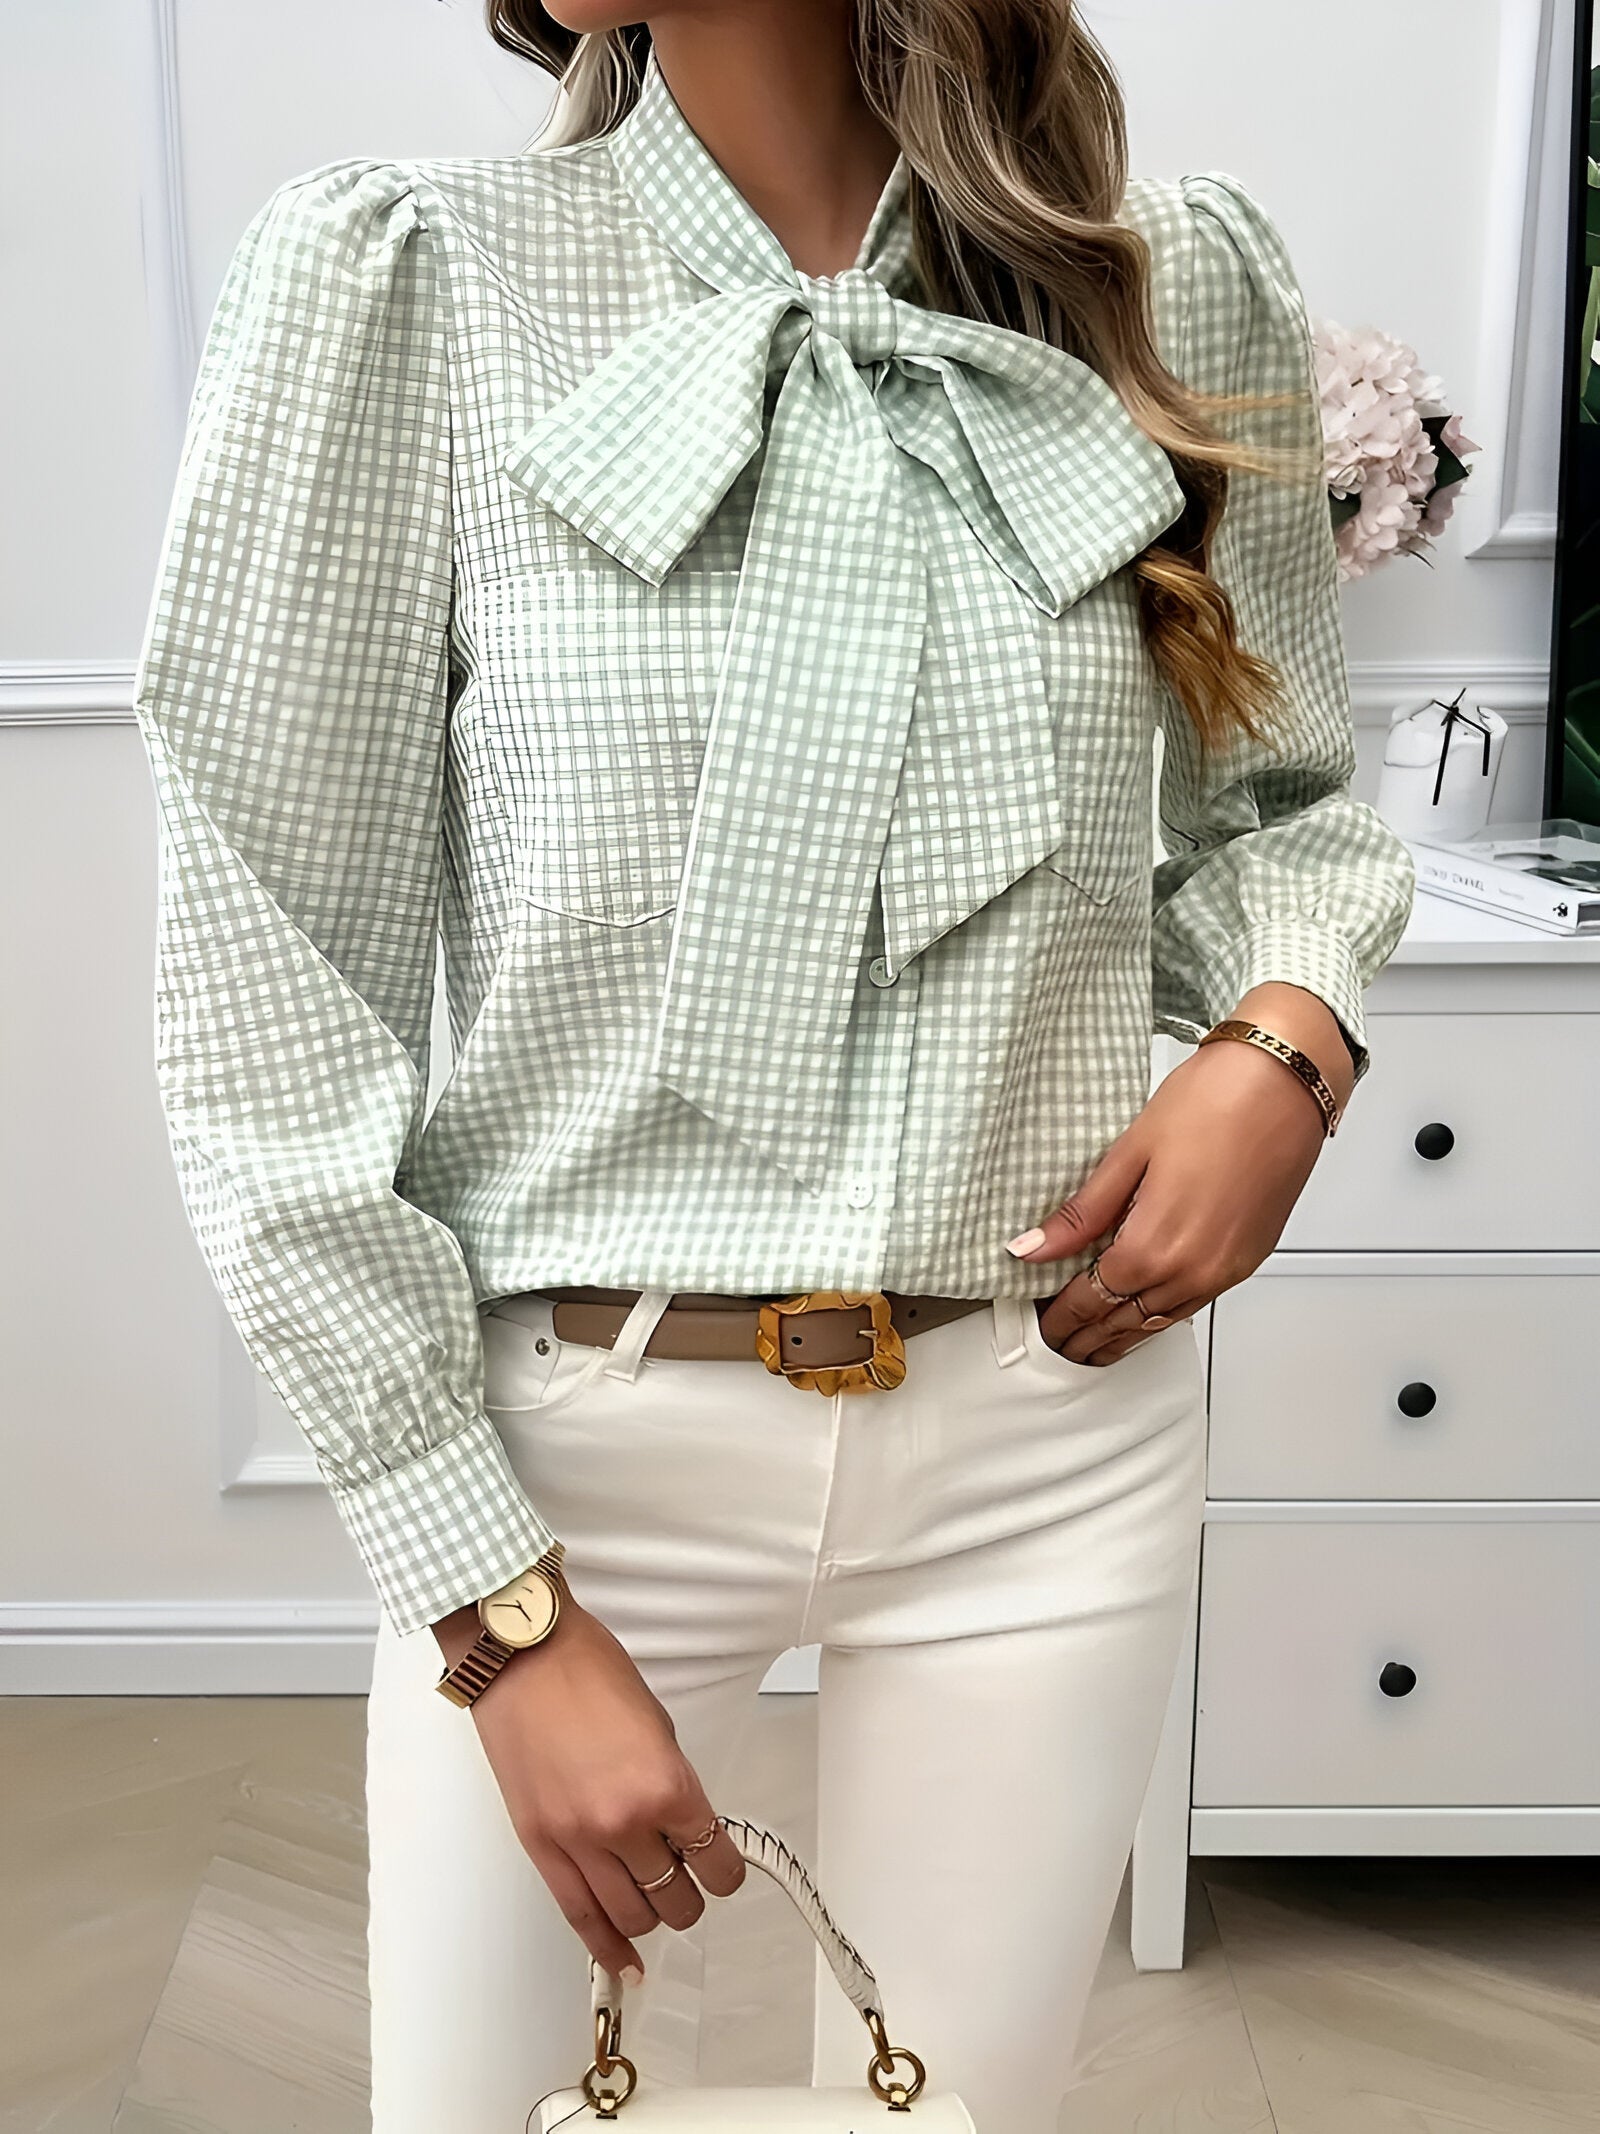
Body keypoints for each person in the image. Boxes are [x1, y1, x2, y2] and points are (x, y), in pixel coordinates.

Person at [129, 2, 1416, 2126]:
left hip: (1050, 1426)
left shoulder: (1168, 283)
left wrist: (1283, 1040)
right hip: (572, 1458)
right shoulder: (406, 285)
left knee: (958, 2110)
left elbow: (1278, 805)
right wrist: (492, 1607)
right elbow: (271, 982)